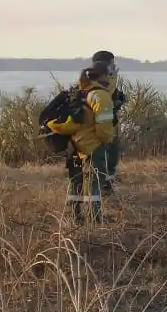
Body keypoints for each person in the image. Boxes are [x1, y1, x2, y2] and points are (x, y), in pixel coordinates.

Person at [50, 63, 116, 224]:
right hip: (93, 146)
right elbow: (104, 127)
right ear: (104, 75)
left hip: (77, 145)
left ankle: (76, 218)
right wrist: (106, 142)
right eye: (111, 72)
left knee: (77, 182)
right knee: (94, 185)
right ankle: (95, 220)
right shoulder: (101, 96)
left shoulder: (82, 91)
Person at [90, 50, 126, 194]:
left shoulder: (111, 79)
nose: (113, 66)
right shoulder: (93, 80)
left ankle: (108, 184)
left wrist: (119, 100)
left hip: (112, 124)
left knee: (113, 156)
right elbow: (103, 97)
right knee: (100, 158)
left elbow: (114, 98)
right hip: (98, 127)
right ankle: (100, 186)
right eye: (111, 63)